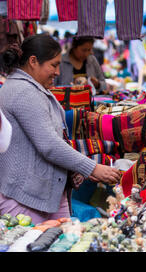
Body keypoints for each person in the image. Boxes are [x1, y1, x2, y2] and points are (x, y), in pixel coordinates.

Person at [0, 35, 121, 225]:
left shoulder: (32, 87)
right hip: (24, 197)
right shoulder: (23, 91)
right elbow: (49, 144)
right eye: (53, 65)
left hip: (42, 194)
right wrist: (92, 168)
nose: (57, 72)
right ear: (33, 62)